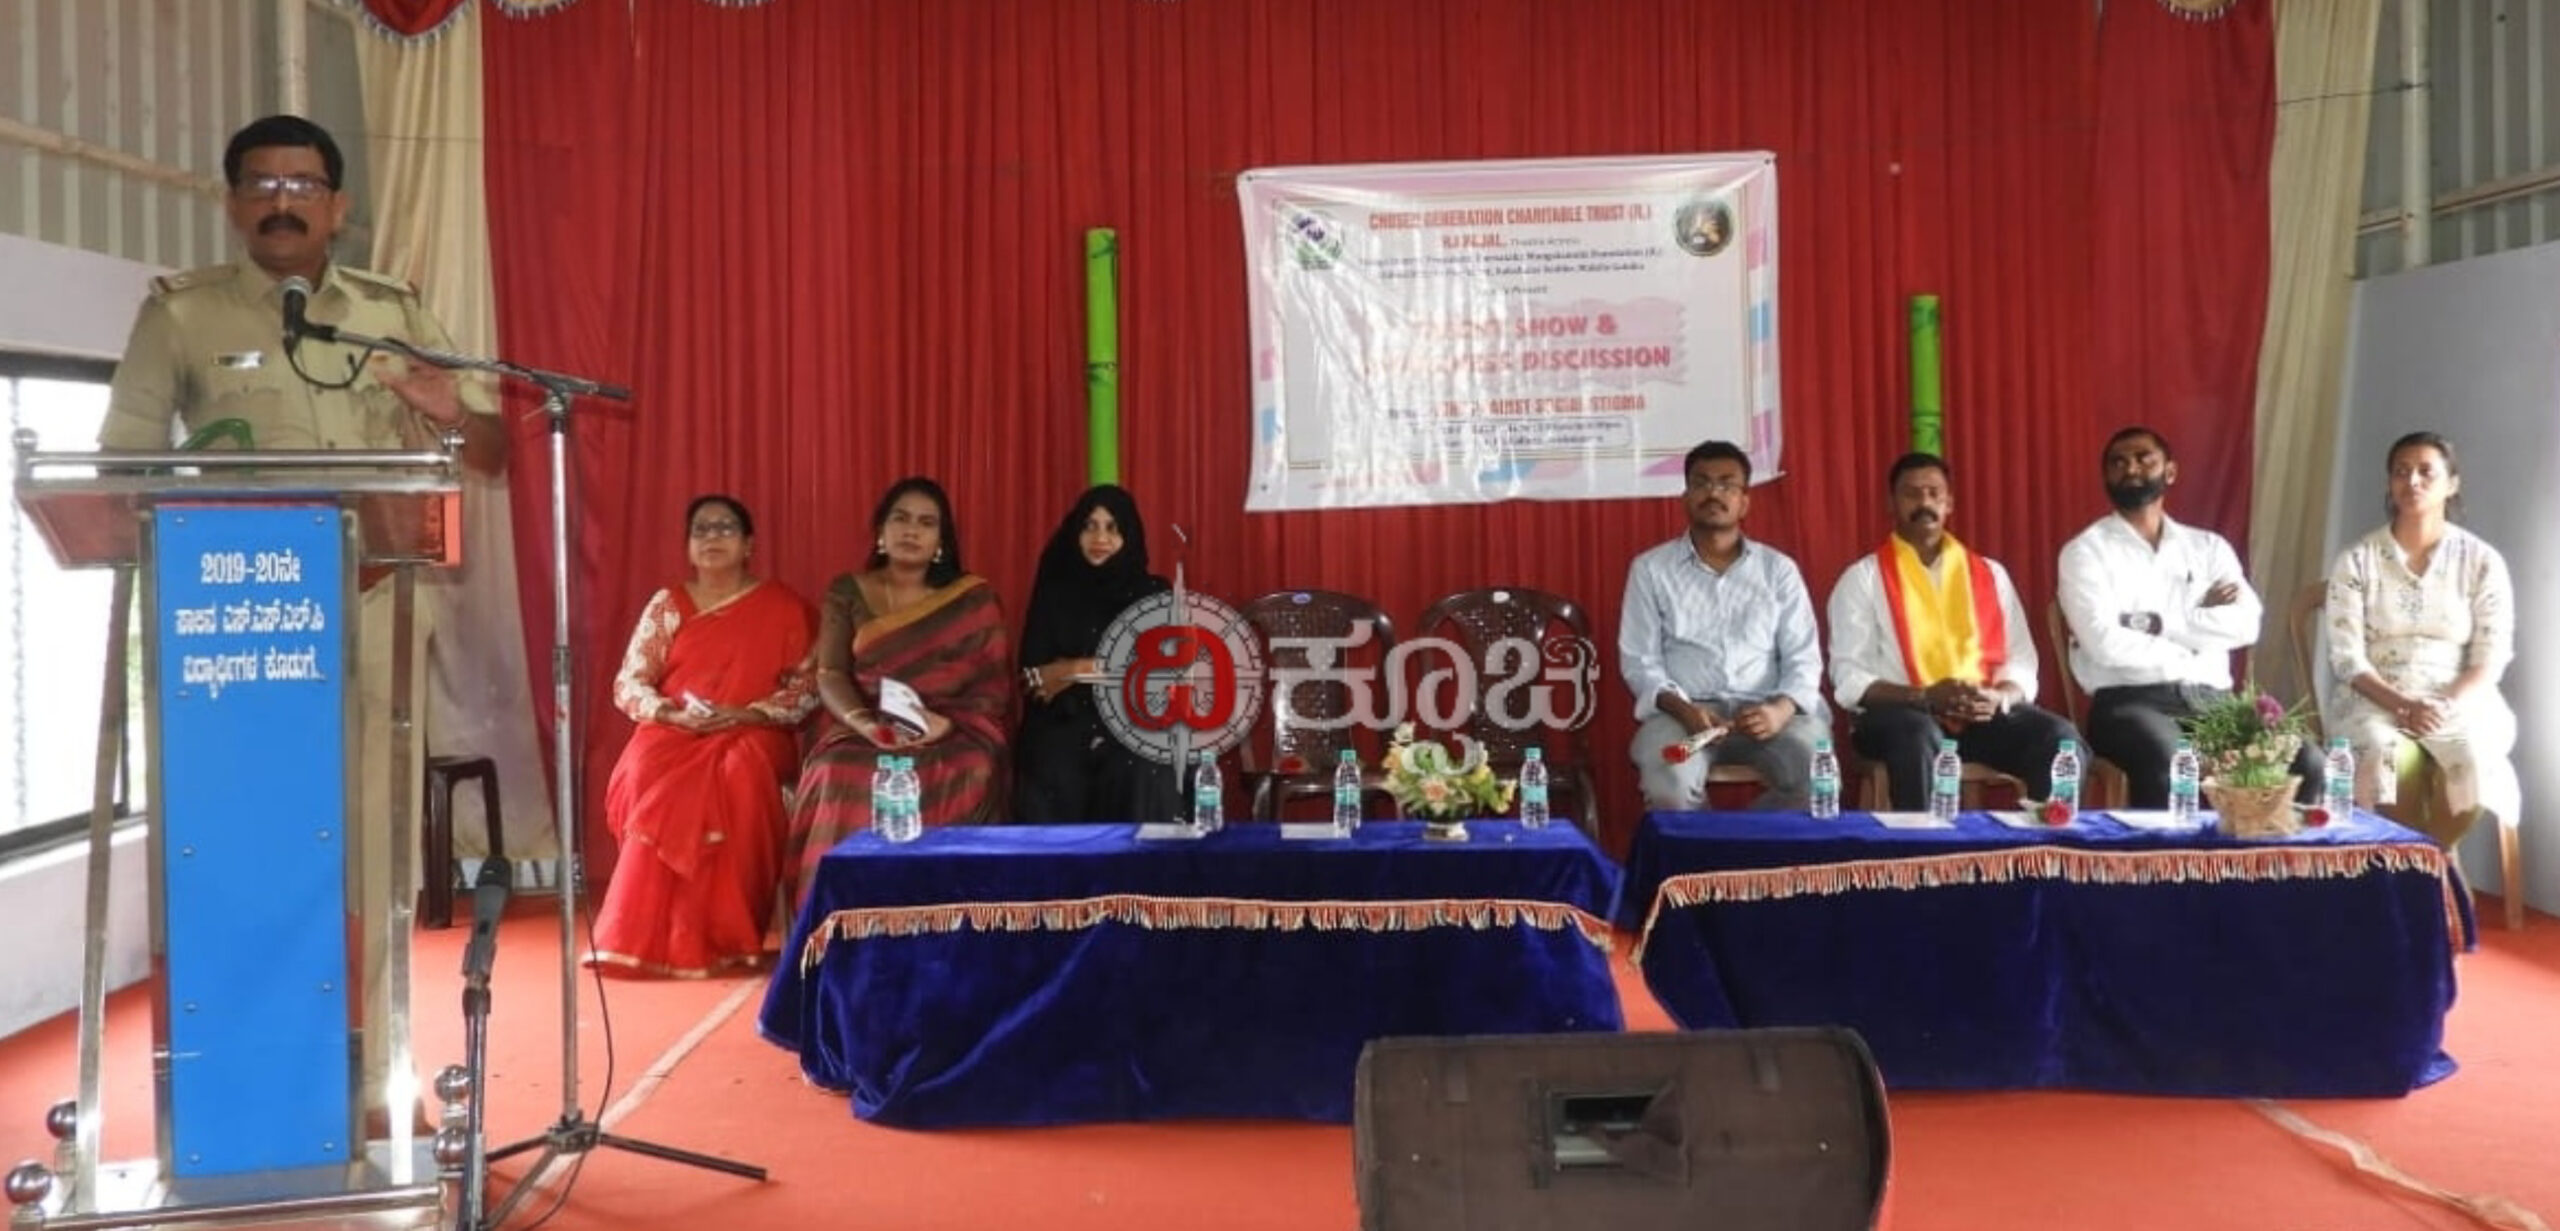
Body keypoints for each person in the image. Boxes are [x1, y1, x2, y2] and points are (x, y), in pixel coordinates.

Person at [96, 114, 507, 1134]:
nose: (283, 202)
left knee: (376, 854)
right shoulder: (181, 315)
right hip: (238, 625)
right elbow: (119, 464)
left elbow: (492, 447)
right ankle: (253, 1069)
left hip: (374, 611)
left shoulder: (390, 313)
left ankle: (376, 1071)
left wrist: (446, 409)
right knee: (247, 850)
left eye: (303, 185)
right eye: (263, 185)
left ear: (338, 205)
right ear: (233, 201)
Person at [588, 496, 816, 977]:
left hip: (753, 731)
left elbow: (809, 690)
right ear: (688, 546)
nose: (712, 537)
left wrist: (745, 713)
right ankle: (646, 934)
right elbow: (629, 682)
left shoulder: (784, 608)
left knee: (738, 774)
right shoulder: (667, 605)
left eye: (725, 528)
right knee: (643, 770)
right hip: (675, 730)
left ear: (749, 544)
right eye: (701, 529)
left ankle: (723, 936)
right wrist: (668, 713)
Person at [2058, 427, 2317, 805]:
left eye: (2143, 459)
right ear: (2106, 478)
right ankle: (2165, 849)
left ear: (2170, 472)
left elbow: (2246, 625)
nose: (2130, 468)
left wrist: (2157, 624)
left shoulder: (2208, 548)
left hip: (2214, 703)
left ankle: (2269, 848)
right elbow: (2104, 643)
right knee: (2174, 763)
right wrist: (2197, 634)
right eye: (2118, 462)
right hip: (2131, 702)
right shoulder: (2085, 552)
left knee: (2307, 760)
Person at [787, 477, 1014, 897]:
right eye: (901, 519)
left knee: (973, 767)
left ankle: (944, 910)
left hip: (950, 729)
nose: (912, 531)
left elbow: (991, 690)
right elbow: (831, 673)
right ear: (881, 531)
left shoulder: (973, 599)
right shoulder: (847, 590)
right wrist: (866, 724)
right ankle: (837, 911)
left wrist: (945, 725)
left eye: (926, 523)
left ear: (941, 540)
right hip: (864, 724)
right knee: (833, 770)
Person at [1828, 452, 2077, 810]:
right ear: (1891, 504)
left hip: (1983, 717)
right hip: (1901, 719)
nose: (1924, 502)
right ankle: (1924, 846)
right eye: (1911, 493)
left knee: (2058, 737)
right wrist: (1924, 697)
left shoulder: (1990, 574)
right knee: (1917, 734)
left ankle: (2041, 842)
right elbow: (1850, 678)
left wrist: (1999, 697)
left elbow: (2021, 661)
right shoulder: (1863, 579)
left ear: (1949, 503)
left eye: (1934, 493)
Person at [2323, 431, 2519, 845]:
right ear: (2389, 483)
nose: (2412, 481)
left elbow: (2490, 657)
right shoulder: (2356, 560)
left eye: (2426, 472)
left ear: (2452, 484)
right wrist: (2404, 704)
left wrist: (2440, 704)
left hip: (2457, 700)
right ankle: (2417, 867)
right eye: (2401, 472)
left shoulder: (2482, 561)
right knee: (2386, 756)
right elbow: (2346, 657)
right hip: (2374, 699)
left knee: (2473, 758)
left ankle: (2425, 862)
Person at [1619, 440, 1828, 811]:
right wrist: (1684, 710)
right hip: (1685, 717)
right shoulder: (1650, 569)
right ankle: (1708, 847)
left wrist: (1780, 710)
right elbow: (1639, 661)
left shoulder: (1778, 570)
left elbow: (1804, 657)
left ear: (1744, 501)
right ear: (1685, 497)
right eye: (1701, 483)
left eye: (1727, 484)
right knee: (1669, 785)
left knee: (1818, 778)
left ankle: (1738, 845)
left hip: (1767, 713)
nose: (1713, 494)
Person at [1014, 485, 1178, 823]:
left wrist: (1072, 669)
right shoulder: (1055, 594)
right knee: (1049, 762)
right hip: (1064, 721)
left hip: (1132, 722)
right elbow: (1034, 680)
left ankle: (1144, 858)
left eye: (1112, 527)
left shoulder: (1154, 594)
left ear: (1129, 535)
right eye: (1090, 526)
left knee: (1148, 766)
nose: (1099, 538)